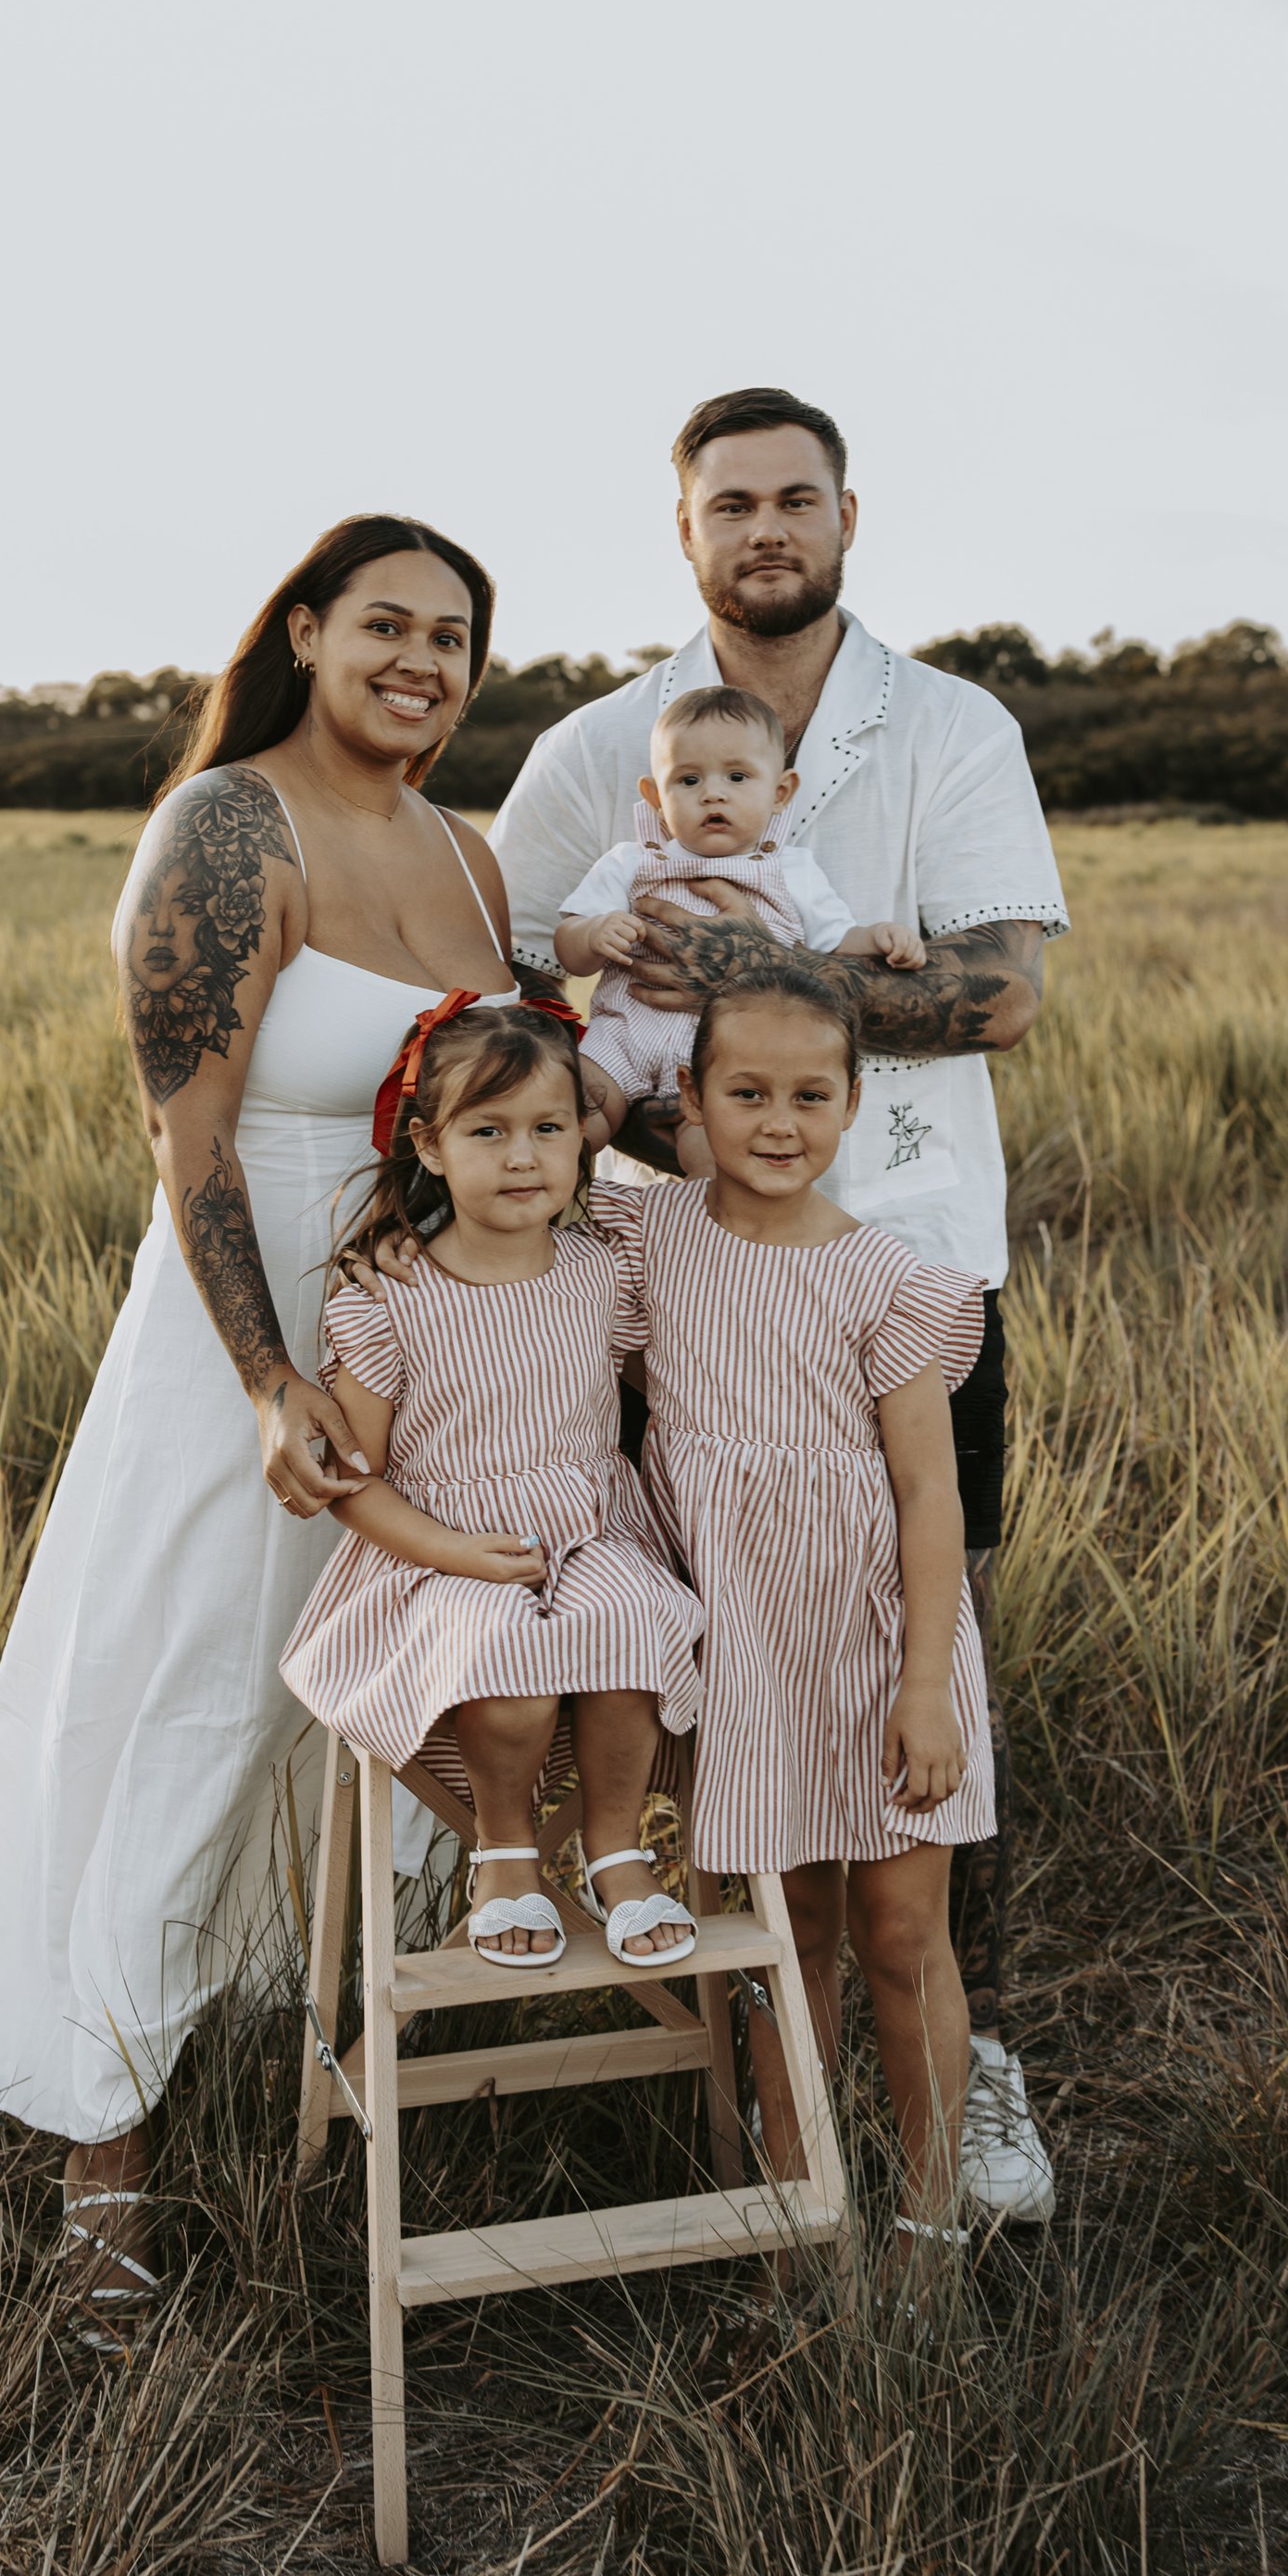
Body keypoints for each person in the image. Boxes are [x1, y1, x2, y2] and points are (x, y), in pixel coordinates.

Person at [0, 510, 533, 2341]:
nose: (420, 664)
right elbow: (185, 1140)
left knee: (383, 1684)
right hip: (247, 1324)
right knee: (199, 1688)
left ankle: (325, 2068)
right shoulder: (226, 826)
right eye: (386, 626)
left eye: (452, 638)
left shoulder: (465, 847)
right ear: (302, 628)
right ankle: (101, 2161)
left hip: (428, 1330)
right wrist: (268, 1378)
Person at [492, 384, 1067, 2222]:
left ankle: (953, 2070)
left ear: (844, 516)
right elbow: (496, 950)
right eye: (725, 502)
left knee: (923, 1660)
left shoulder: (948, 726)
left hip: (909, 1263)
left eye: (792, 498)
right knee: (691, 1673)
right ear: (682, 532)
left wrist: (765, 966)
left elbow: (994, 994)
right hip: (677, 1280)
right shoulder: (599, 744)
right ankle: (738, 2066)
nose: (763, 527)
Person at [594, 963, 992, 2248]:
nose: (778, 1121)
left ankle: (929, 2219)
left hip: (881, 1638)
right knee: (784, 1930)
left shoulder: (889, 1277)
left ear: (855, 1102)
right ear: (691, 1102)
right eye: (745, 1091)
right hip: (745, 1640)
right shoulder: (646, 1238)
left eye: (810, 1093)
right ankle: (793, 2209)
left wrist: (927, 1684)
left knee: (900, 1926)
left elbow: (931, 1492)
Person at [280, 999, 705, 1968]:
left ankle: (617, 1848)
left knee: (633, 1626)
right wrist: (449, 1550)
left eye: (548, 1130)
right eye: (489, 1131)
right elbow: (355, 1478)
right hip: (442, 1552)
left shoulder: (600, 1273)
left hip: (590, 1533)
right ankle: (505, 1852)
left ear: (580, 1142)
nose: (523, 1158)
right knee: (502, 1655)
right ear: (429, 1145)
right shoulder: (390, 1294)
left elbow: (664, 1385)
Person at [554, 680, 924, 1172]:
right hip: (619, 1036)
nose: (712, 795)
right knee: (566, 1125)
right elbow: (569, 950)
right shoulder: (631, 863)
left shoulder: (793, 873)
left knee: (712, 1155)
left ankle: (719, 1244)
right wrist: (592, 934)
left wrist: (880, 937)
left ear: (780, 792)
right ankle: (542, 1230)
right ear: (655, 796)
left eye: (737, 777)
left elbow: (837, 942)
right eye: (688, 781)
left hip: (723, 1056)